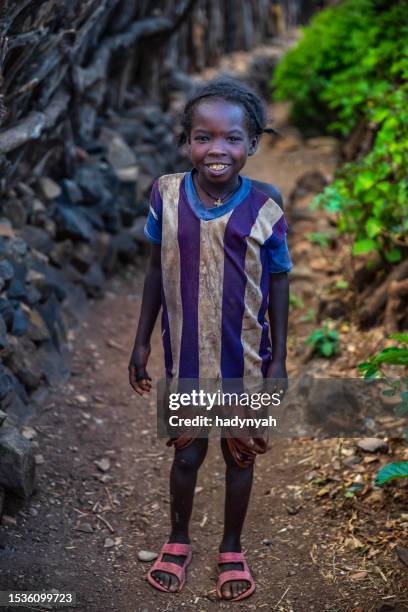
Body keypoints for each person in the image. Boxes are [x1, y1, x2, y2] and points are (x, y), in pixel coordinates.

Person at [128, 78, 292, 602]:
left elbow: (281, 280)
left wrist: (280, 360)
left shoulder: (266, 207)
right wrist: (141, 341)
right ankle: (178, 539)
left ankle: (231, 546)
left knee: (240, 454)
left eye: (232, 139)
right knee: (186, 453)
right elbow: (156, 267)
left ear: (252, 144)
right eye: (203, 137)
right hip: (186, 357)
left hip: (244, 358)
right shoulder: (166, 194)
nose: (217, 150)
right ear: (187, 140)